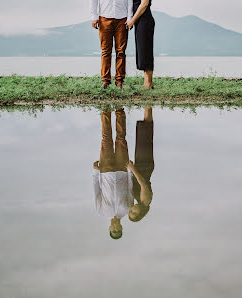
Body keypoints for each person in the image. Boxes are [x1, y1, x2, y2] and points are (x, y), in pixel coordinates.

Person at [93, 108, 134, 239]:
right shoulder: (127, 210)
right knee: (121, 139)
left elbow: (97, 190)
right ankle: (119, 109)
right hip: (122, 170)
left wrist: (95, 172)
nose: (116, 228)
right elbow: (130, 189)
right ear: (121, 227)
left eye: (114, 230)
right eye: (118, 230)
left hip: (106, 171)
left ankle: (105, 109)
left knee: (106, 139)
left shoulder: (101, 211)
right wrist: (130, 171)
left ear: (110, 228)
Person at [90, 0, 133, 89]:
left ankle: (119, 81)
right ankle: (105, 80)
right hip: (104, 18)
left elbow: (130, 1)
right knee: (105, 51)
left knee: (121, 51)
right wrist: (94, 16)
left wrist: (130, 18)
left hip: (122, 18)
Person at [128, 106, 154, 222]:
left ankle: (147, 108)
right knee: (145, 135)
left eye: (130, 212)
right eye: (134, 212)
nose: (132, 209)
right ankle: (148, 106)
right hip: (145, 165)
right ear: (141, 213)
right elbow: (143, 184)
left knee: (143, 136)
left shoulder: (139, 201)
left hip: (141, 165)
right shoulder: (145, 201)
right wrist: (132, 168)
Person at [126, 0, 155, 88]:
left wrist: (132, 21)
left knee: (146, 51)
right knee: (143, 52)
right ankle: (146, 82)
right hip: (140, 22)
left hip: (145, 21)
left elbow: (144, 4)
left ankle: (148, 83)